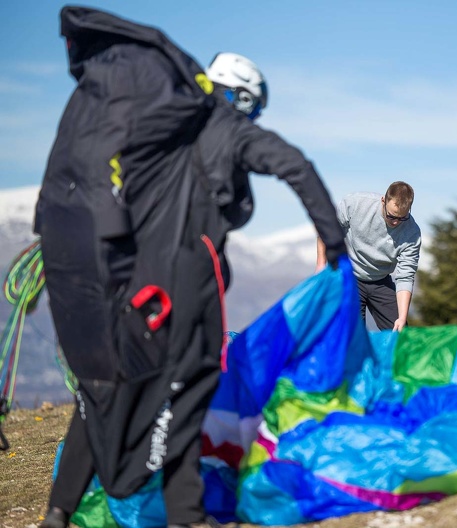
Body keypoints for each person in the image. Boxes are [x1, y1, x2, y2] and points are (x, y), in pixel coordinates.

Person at [38, 7, 346, 528]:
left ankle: (58, 510)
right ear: (244, 98)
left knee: (107, 388)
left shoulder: (160, 132)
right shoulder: (232, 132)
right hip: (188, 281)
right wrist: (334, 242)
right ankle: (186, 515)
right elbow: (297, 166)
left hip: (128, 281)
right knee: (187, 389)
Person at [316, 182, 421, 331]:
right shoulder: (355, 204)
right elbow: (326, 230)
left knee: (400, 334)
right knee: (353, 335)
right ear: (383, 200)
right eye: (391, 216)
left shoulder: (412, 233)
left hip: (381, 281)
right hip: (350, 277)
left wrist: (402, 317)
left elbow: (405, 276)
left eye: (402, 218)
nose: (396, 222)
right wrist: (321, 265)